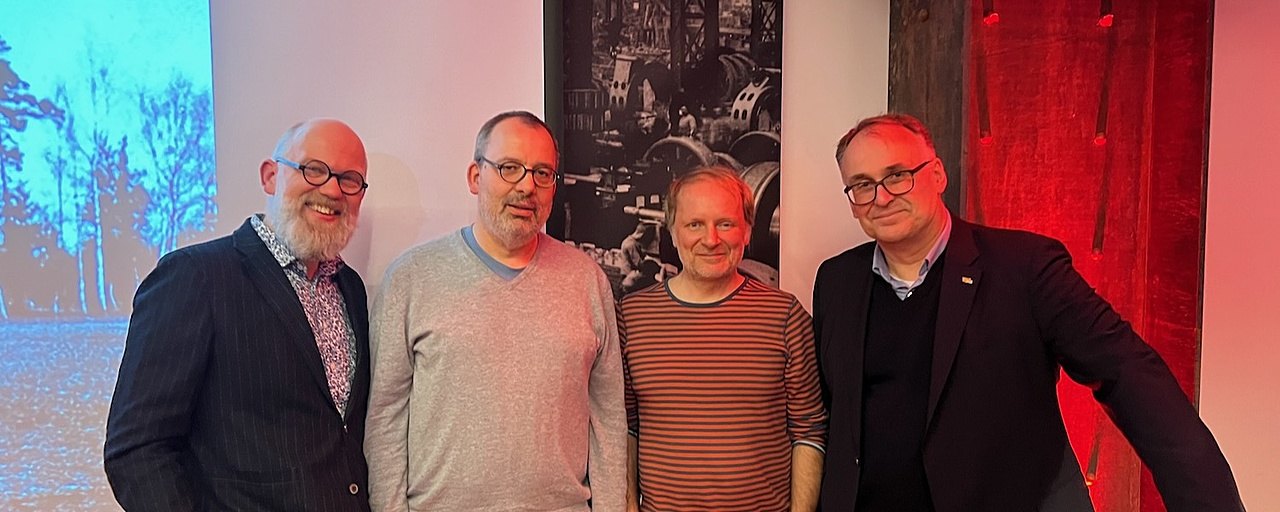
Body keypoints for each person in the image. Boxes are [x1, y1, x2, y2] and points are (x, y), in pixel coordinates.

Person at [813, 113, 1243, 512]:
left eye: (898, 176)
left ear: (938, 174)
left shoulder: (1025, 268)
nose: (881, 197)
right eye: (862, 185)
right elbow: (833, 421)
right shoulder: (837, 282)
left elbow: (1129, 375)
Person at [104, 119, 374, 511]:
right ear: (270, 176)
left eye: (350, 179)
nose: (332, 189)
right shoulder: (195, 277)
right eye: (314, 170)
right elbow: (137, 449)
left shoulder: (350, 288)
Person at [364, 111, 625, 511]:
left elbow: (607, 415)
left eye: (542, 174)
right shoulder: (412, 278)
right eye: (509, 168)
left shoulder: (587, 280)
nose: (527, 187)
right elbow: (385, 417)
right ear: (475, 176)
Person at [619, 166, 827, 512]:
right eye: (694, 224)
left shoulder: (785, 314)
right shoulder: (632, 316)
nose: (711, 239)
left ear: (747, 231)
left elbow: (808, 431)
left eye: (726, 224)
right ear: (672, 232)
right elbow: (625, 428)